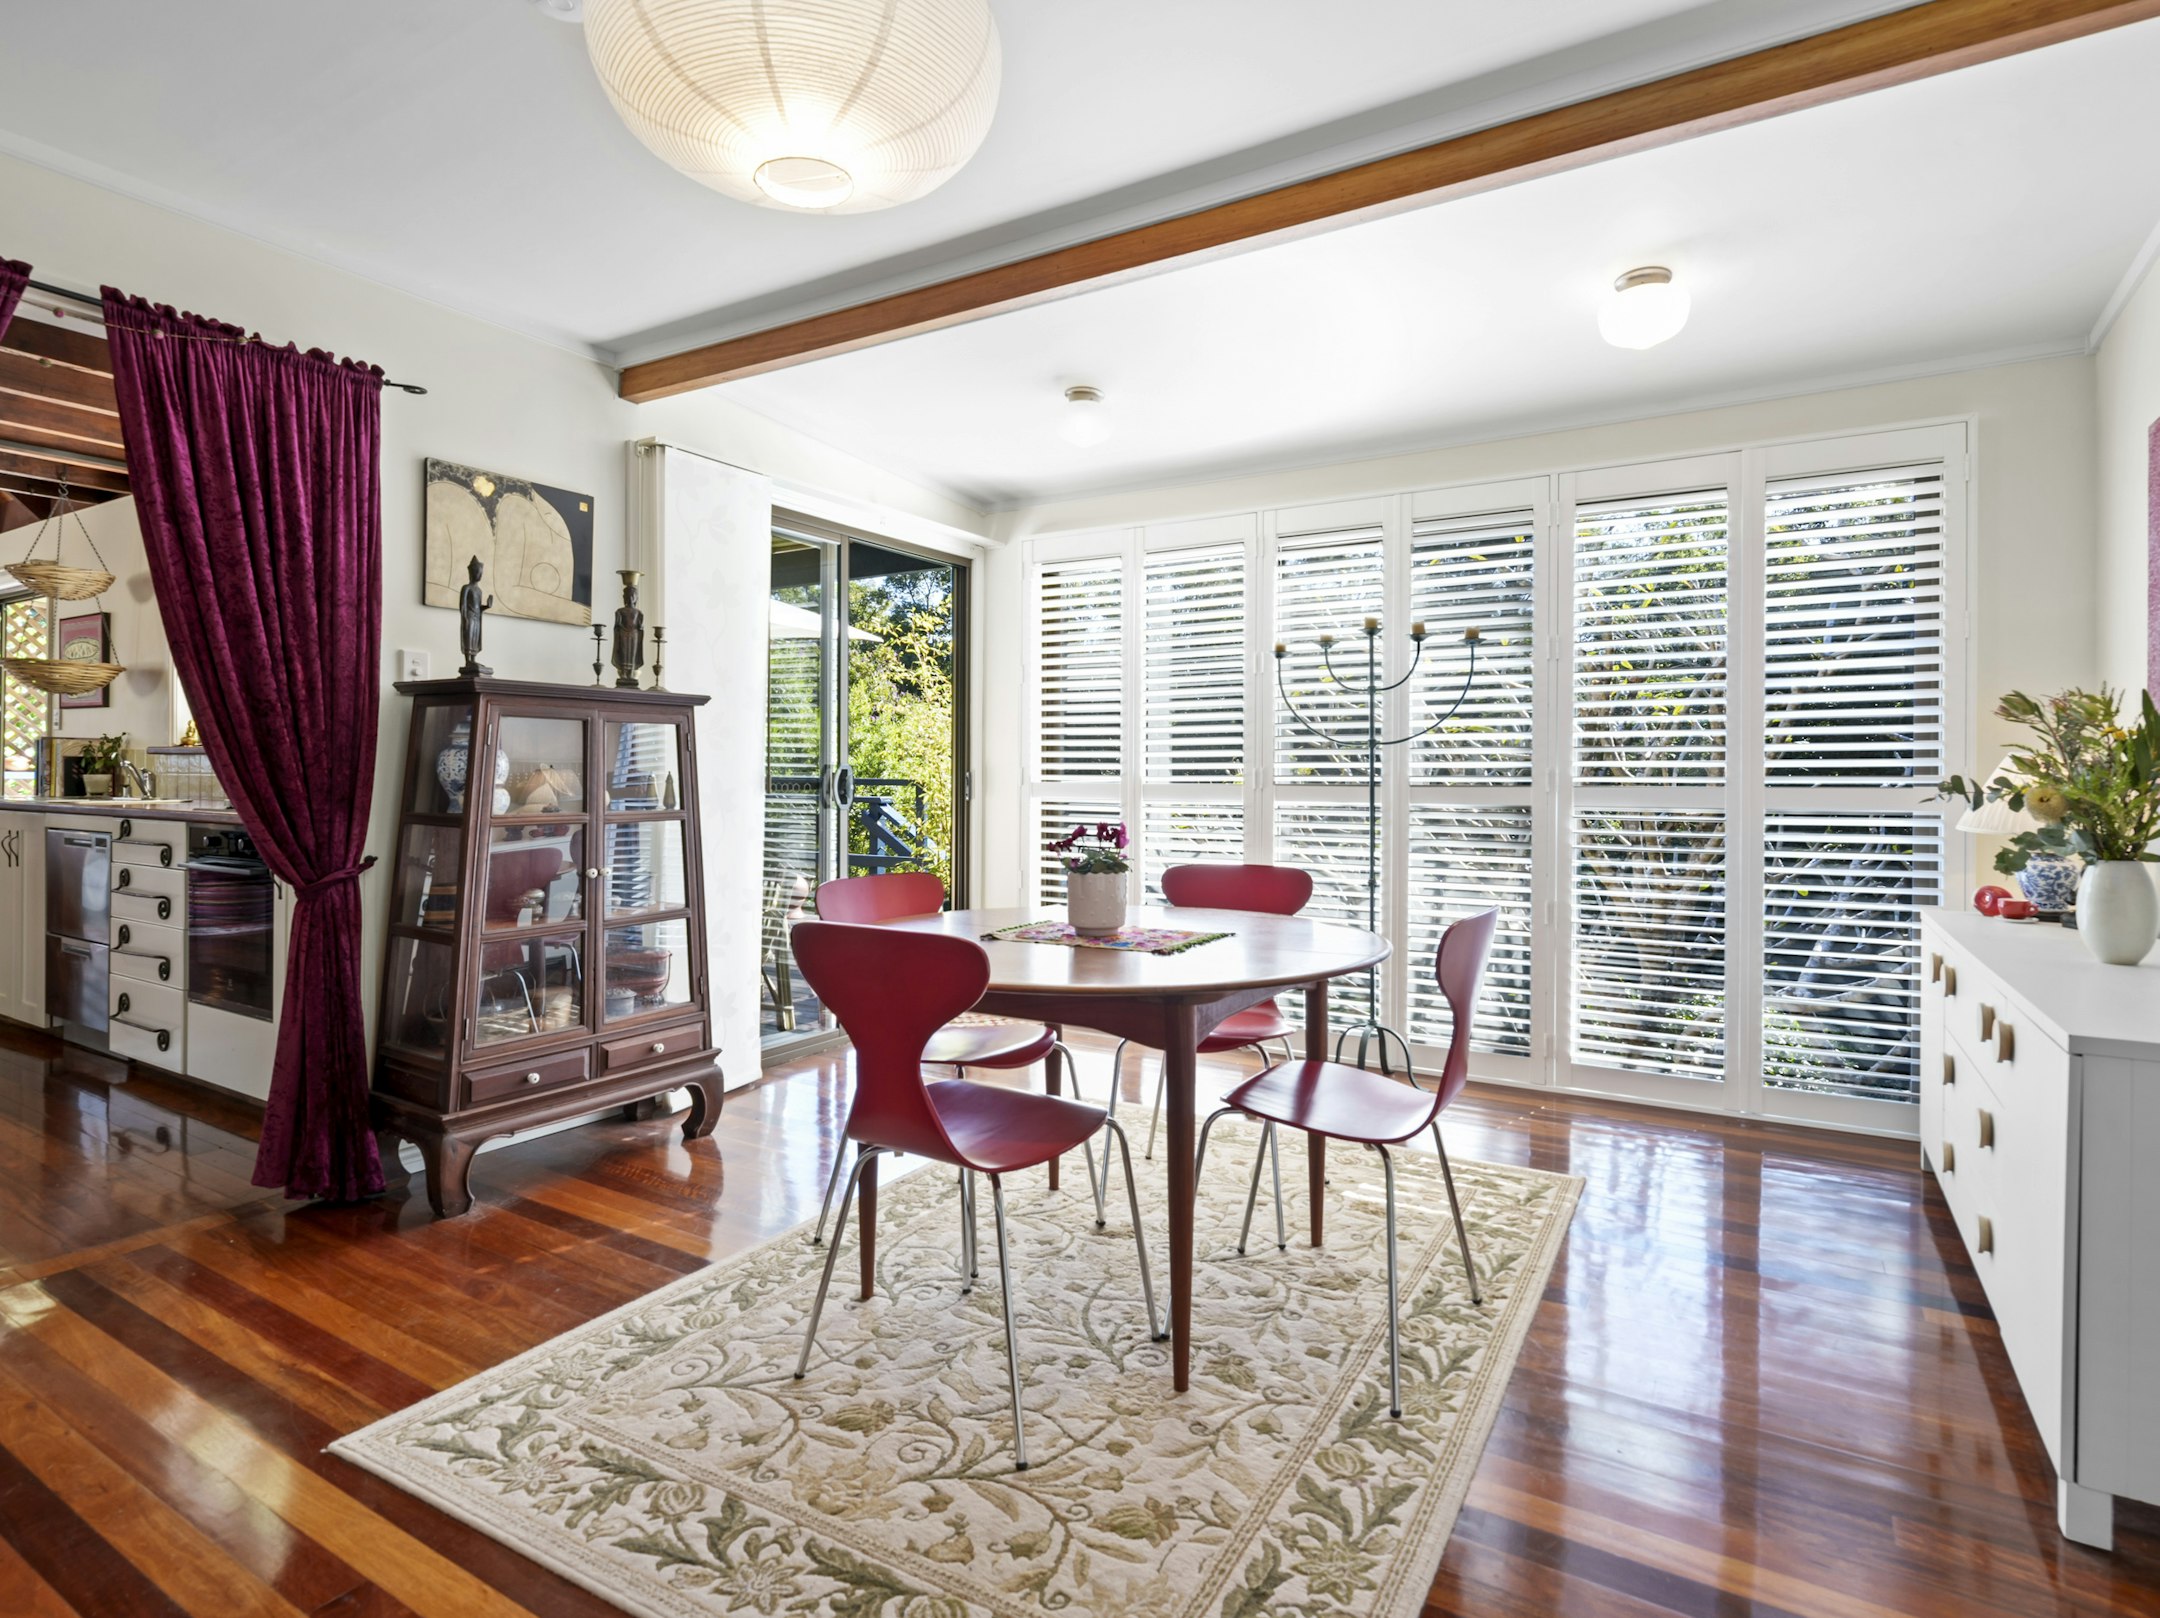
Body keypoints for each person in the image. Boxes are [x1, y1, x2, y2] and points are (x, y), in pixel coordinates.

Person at [458, 556, 492, 677]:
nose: (479, 575)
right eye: (477, 572)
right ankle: (468, 661)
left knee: (475, 639)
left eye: (480, 573)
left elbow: (478, 607)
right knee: (469, 637)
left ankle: (473, 659)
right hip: (469, 616)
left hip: (477, 618)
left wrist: (486, 606)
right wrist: (465, 618)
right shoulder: (466, 588)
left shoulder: (479, 591)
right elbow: (463, 605)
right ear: (472, 573)